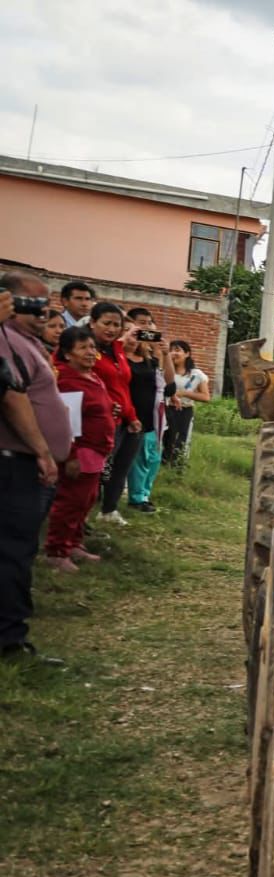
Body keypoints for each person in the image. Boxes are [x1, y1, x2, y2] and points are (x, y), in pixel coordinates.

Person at [0, 273, 72, 666]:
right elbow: (12, 398)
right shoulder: (4, 339)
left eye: (47, 304)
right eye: (33, 304)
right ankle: (11, 641)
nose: (44, 312)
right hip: (17, 464)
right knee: (12, 553)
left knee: (17, 552)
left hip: (27, 464)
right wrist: (43, 451)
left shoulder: (28, 343)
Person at [44, 327, 115, 572]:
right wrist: (71, 456)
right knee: (70, 502)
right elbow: (65, 422)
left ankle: (74, 544)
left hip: (97, 450)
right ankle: (56, 551)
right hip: (80, 451)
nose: (90, 352)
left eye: (92, 347)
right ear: (67, 353)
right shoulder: (66, 379)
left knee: (86, 501)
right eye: (83, 347)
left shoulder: (92, 376)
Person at [120, 309, 176, 515]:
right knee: (126, 459)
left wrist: (165, 354)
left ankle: (142, 495)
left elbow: (169, 385)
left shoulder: (148, 359)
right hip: (124, 414)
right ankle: (129, 497)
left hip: (149, 416)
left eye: (148, 324)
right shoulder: (116, 356)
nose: (144, 328)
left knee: (150, 457)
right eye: (140, 324)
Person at [88, 303, 138, 527]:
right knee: (96, 471)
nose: (111, 329)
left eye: (117, 325)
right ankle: (79, 522)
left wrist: (132, 416)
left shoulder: (116, 350)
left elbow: (123, 387)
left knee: (120, 468)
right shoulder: (87, 349)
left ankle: (109, 510)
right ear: (92, 323)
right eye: (106, 323)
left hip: (124, 420)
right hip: (99, 419)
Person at [162, 341, 209, 464]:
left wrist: (184, 393)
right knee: (165, 439)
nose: (173, 353)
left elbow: (206, 397)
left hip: (184, 411)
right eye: (171, 350)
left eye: (177, 350)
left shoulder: (196, 374)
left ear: (187, 354)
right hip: (166, 409)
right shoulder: (164, 371)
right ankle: (163, 465)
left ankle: (178, 467)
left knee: (181, 440)